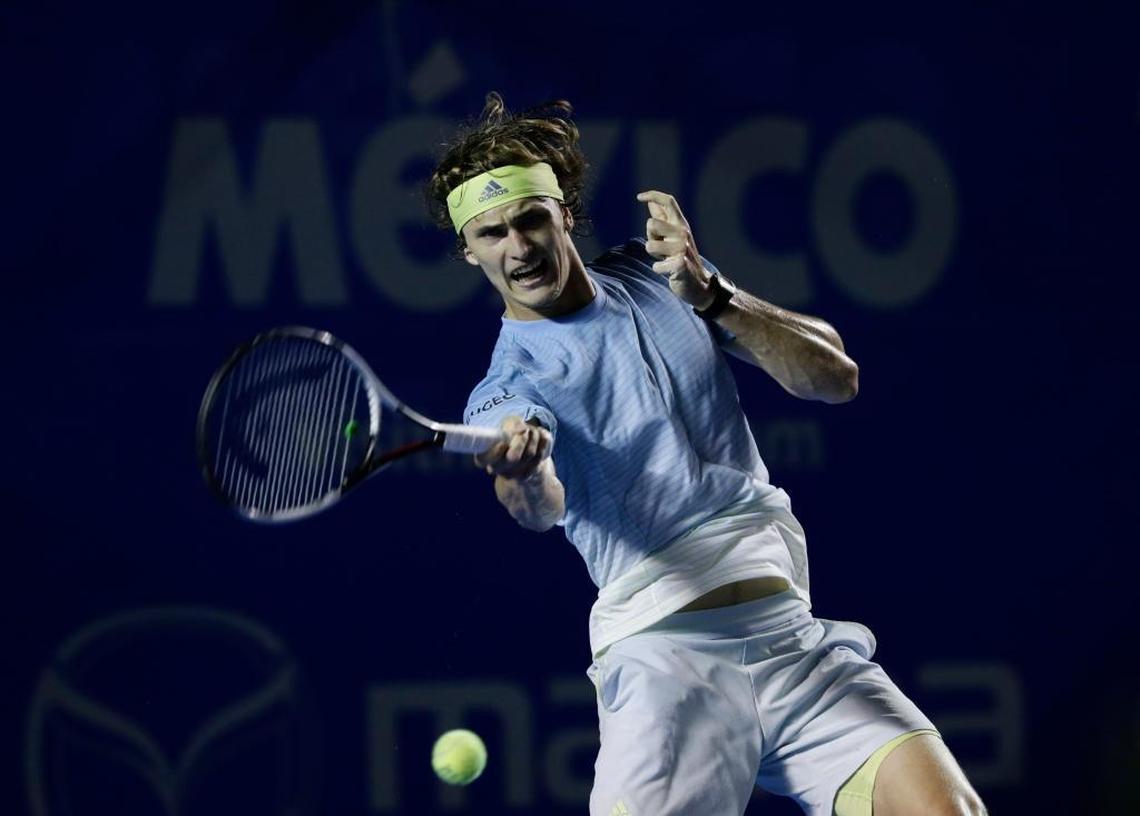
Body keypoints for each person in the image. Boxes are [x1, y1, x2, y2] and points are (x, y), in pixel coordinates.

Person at [425, 92, 986, 816]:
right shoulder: (507, 388)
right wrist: (524, 471)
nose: (519, 247)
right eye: (492, 232)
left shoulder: (654, 276)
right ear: (469, 250)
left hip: (790, 638)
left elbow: (836, 377)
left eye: (531, 218)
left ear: (564, 213)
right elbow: (538, 510)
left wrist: (712, 294)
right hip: (667, 662)